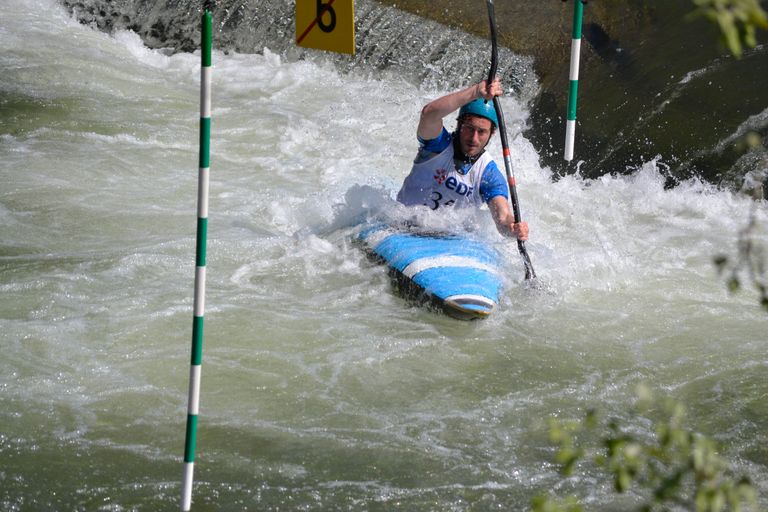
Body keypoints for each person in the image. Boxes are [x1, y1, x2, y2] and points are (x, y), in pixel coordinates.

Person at [396, 78, 529, 241]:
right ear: (459, 125)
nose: (474, 138)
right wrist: (474, 92)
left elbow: (503, 217)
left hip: (448, 239)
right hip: (401, 225)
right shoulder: (436, 146)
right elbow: (429, 114)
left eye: (481, 132)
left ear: (491, 134)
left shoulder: (489, 174)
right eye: (469, 128)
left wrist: (513, 228)